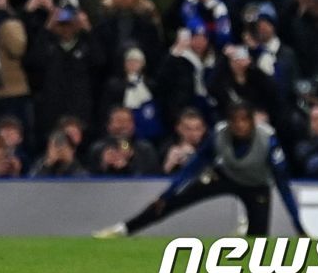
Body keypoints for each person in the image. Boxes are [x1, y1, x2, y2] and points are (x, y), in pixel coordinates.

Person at [93, 102, 305, 239]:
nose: (240, 125)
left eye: (245, 120)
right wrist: (166, 194)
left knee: (258, 240)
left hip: (257, 186)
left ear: (252, 122)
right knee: (171, 202)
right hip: (224, 176)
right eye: (235, 121)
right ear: (228, 122)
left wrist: (299, 227)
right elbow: (194, 166)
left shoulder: (268, 140)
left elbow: (283, 185)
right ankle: (124, 229)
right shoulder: (219, 134)